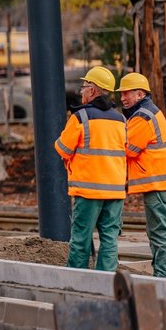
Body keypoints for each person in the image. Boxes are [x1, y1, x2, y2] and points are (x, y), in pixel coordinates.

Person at [55, 66, 127, 271]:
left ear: (93, 91)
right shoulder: (121, 120)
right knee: (110, 240)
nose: (81, 91)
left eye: (84, 87)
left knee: (80, 240)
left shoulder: (80, 117)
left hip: (88, 191)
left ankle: (77, 283)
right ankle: (106, 284)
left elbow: (62, 148)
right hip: (115, 191)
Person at [118, 72, 166, 279]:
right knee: (160, 232)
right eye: (122, 93)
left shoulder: (142, 116)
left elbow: (129, 149)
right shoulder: (149, 112)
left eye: (126, 93)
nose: (122, 97)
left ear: (140, 94)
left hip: (158, 184)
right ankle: (163, 275)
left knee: (160, 233)